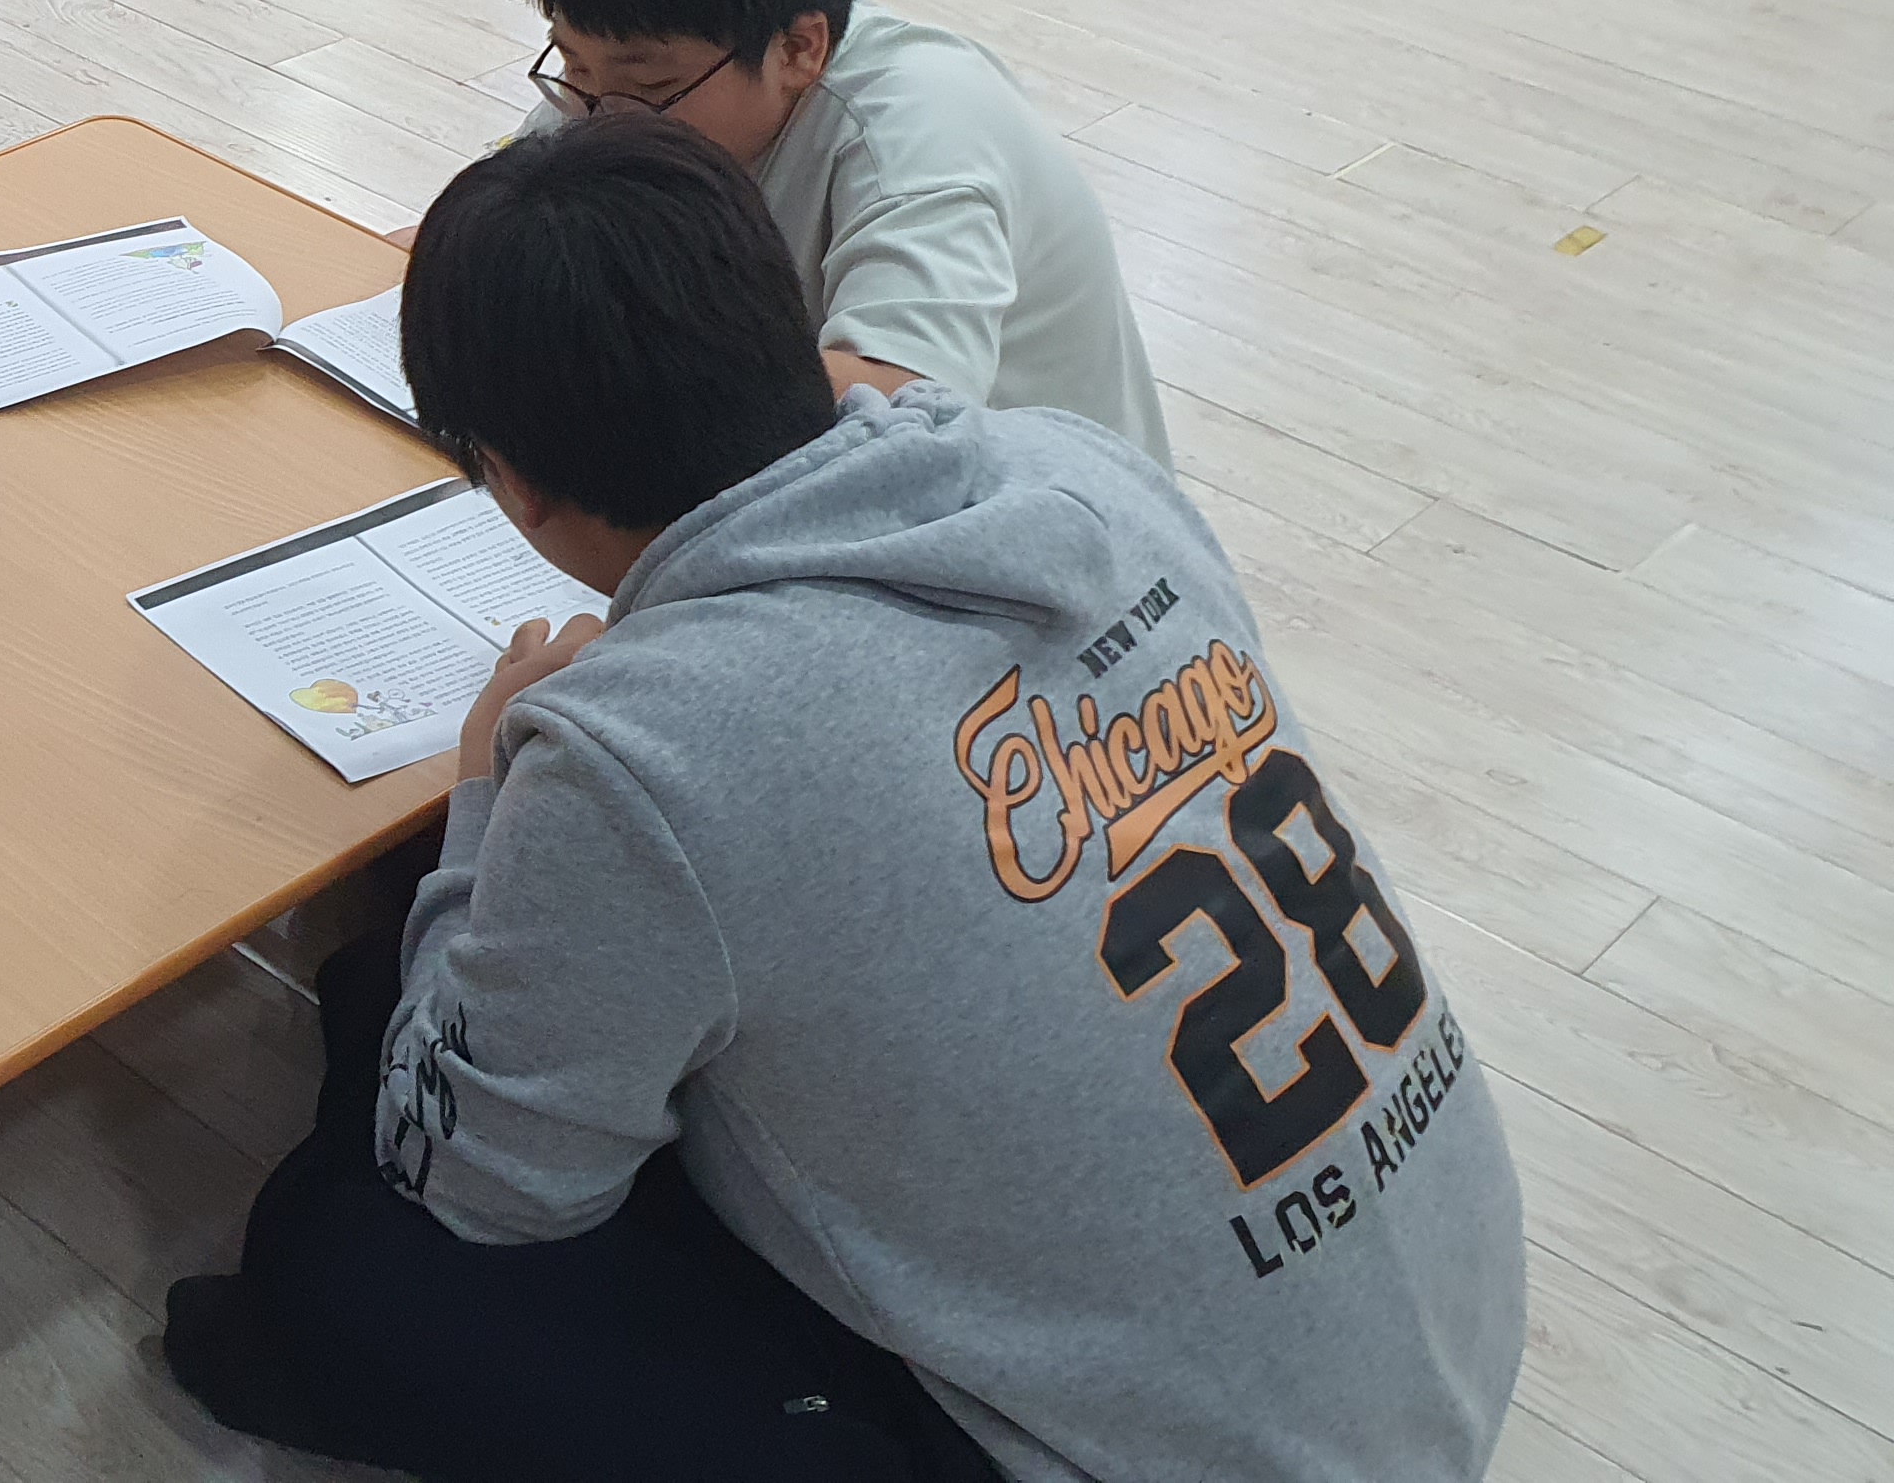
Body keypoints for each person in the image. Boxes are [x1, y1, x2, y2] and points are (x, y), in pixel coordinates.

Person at [165, 115, 1524, 1483]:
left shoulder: (643, 744)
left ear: (509, 485)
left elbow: (481, 1186)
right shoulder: (1083, 470)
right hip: (1446, 1330)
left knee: (346, 1261)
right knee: (456, 1011)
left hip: (1153, 1457)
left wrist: (483, 783)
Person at [507, 0, 1175, 471]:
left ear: (799, 49)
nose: (602, 122)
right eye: (573, 64)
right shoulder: (610, 92)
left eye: (651, 87)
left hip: (1022, 504)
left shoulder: (921, 136)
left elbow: (900, 411)